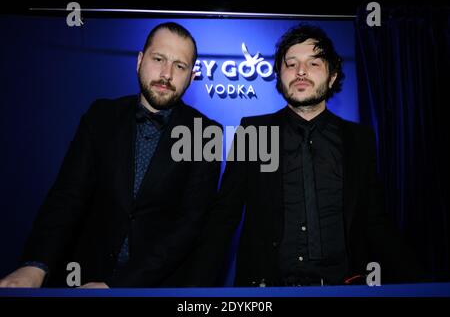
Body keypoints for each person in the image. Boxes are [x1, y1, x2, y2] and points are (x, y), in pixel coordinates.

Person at [186, 24, 423, 287]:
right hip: (268, 290)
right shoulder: (252, 131)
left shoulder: (359, 139)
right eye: (291, 64)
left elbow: (375, 221)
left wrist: (421, 284)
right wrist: (194, 288)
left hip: (344, 288)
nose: (301, 71)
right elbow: (224, 216)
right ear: (278, 75)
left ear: (332, 76)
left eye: (313, 63)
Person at [0, 22, 221, 288]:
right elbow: (67, 196)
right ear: (140, 60)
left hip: (158, 287)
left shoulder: (206, 133)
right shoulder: (101, 116)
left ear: (191, 76)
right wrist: (36, 265)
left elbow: (189, 226)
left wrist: (118, 285)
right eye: (158, 59)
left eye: (180, 66)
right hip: (82, 279)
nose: (166, 73)